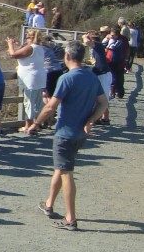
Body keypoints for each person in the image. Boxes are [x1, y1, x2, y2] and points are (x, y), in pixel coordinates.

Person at [28, 41, 108, 232]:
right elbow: (103, 102)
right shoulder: (91, 77)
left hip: (65, 133)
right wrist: (90, 121)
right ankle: (49, 204)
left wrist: (36, 124)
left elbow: (50, 107)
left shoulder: (66, 78)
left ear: (67, 56)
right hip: (80, 134)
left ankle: (70, 218)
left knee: (66, 173)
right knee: (61, 168)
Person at [6, 30, 47, 133]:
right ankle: (36, 124)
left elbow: (13, 55)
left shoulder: (31, 48)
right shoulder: (40, 48)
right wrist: (18, 45)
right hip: (39, 77)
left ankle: (28, 125)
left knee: (29, 102)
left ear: (31, 38)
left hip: (30, 79)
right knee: (37, 102)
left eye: (27, 38)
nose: (26, 40)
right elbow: (24, 55)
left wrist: (10, 44)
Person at [86, 28, 113, 124]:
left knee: (103, 97)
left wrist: (85, 36)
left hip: (103, 74)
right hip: (99, 73)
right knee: (98, 96)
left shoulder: (97, 45)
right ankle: (100, 117)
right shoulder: (96, 47)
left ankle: (105, 117)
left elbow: (86, 42)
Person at [106, 26, 129, 98]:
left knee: (117, 77)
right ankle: (117, 91)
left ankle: (116, 91)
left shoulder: (121, 41)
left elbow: (112, 47)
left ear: (117, 34)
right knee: (117, 76)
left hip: (117, 60)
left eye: (112, 35)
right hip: (113, 60)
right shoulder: (122, 39)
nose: (111, 36)